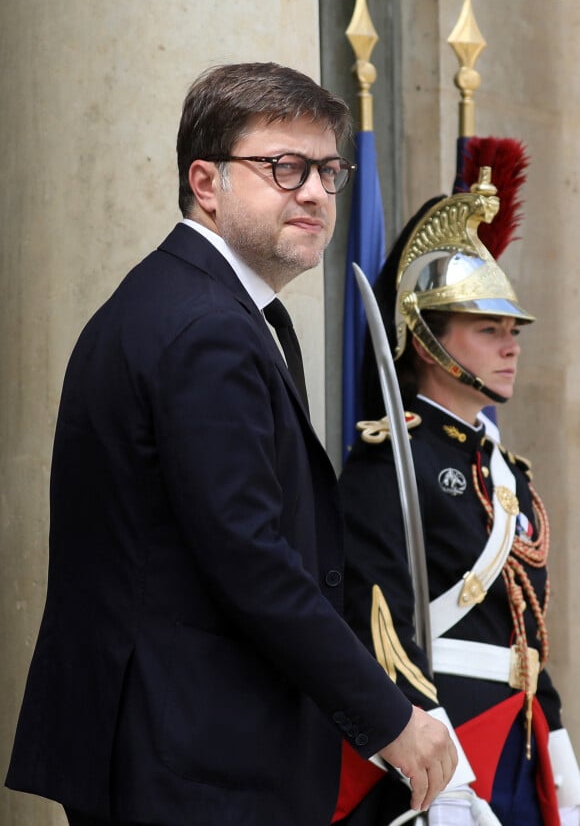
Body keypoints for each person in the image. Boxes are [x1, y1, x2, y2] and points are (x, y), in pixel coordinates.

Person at [5, 62, 457, 826]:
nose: (314, 192)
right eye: (283, 167)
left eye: (328, 170)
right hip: (191, 759)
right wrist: (389, 720)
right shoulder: (205, 327)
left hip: (175, 746)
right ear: (206, 183)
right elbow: (252, 559)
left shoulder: (186, 303)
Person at [334, 170, 580, 825]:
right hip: (443, 747)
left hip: (517, 745)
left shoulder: (508, 474)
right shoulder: (389, 461)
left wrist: (558, 750)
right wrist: (443, 777)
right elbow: (381, 631)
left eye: (515, 331)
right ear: (427, 341)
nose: (511, 348)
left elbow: (526, 632)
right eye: (486, 329)